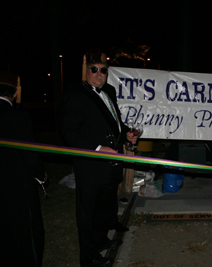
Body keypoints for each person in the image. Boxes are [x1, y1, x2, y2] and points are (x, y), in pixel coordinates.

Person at [58, 49, 136, 267]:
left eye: (103, 70)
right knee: (88, 214)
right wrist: (97, 148)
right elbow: (69, 131)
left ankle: (101, 240)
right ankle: (89, 257)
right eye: (94, 69)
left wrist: (127, 132)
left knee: (104, 208)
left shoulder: (109, 90)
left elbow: (115, 121)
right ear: (85, 71)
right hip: (91, 164)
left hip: (111, 163)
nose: (99, 74)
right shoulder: (75, 94)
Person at [0, 71, 46, 266]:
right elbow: (29, 152)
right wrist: (41, 175)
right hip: (17, 186)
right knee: (26, 234)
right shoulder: (18, 116)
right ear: (15, 93)